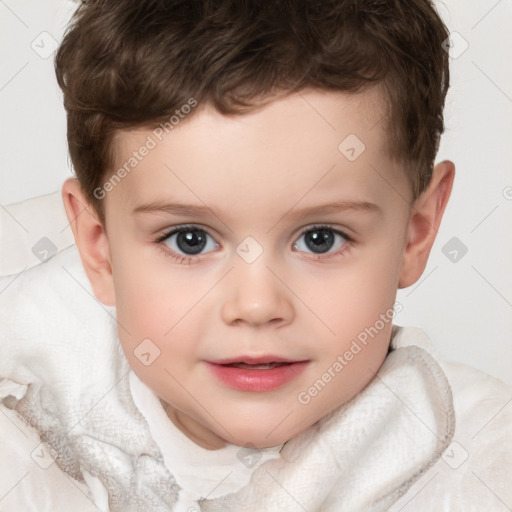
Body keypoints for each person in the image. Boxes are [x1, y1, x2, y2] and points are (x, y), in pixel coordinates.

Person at [0, 0, 510, 510]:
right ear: (100, 249)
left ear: (414, 234)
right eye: (190, 240)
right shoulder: (25, 424)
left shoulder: (481, 469)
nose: (257, 304)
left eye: (320, 239)